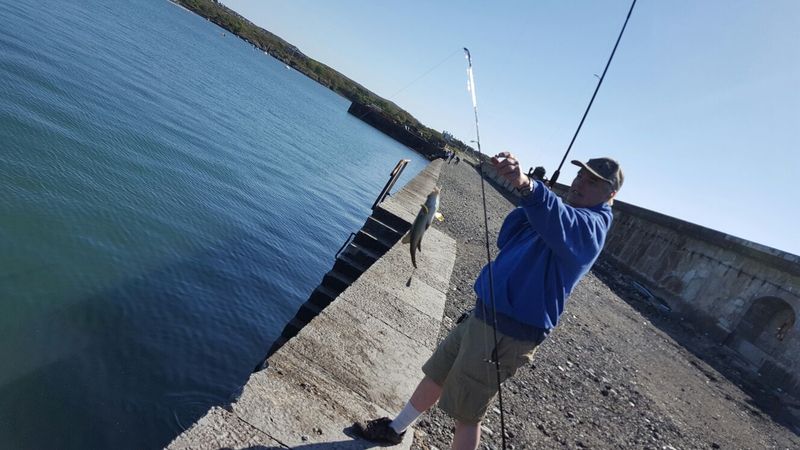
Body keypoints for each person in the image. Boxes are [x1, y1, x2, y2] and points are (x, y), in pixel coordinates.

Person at [353, 152, 623, 449]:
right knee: (437, 372)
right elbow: (507, 239)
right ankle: (395, 428)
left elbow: (563, 218)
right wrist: (530, 203)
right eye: (580, 176)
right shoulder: (558, 217)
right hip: (484, 313)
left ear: (611, 193)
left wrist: (527, 186)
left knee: (468, 413)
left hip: (506, 332)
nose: (579, 183)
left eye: (592, 182)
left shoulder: (591, 226)